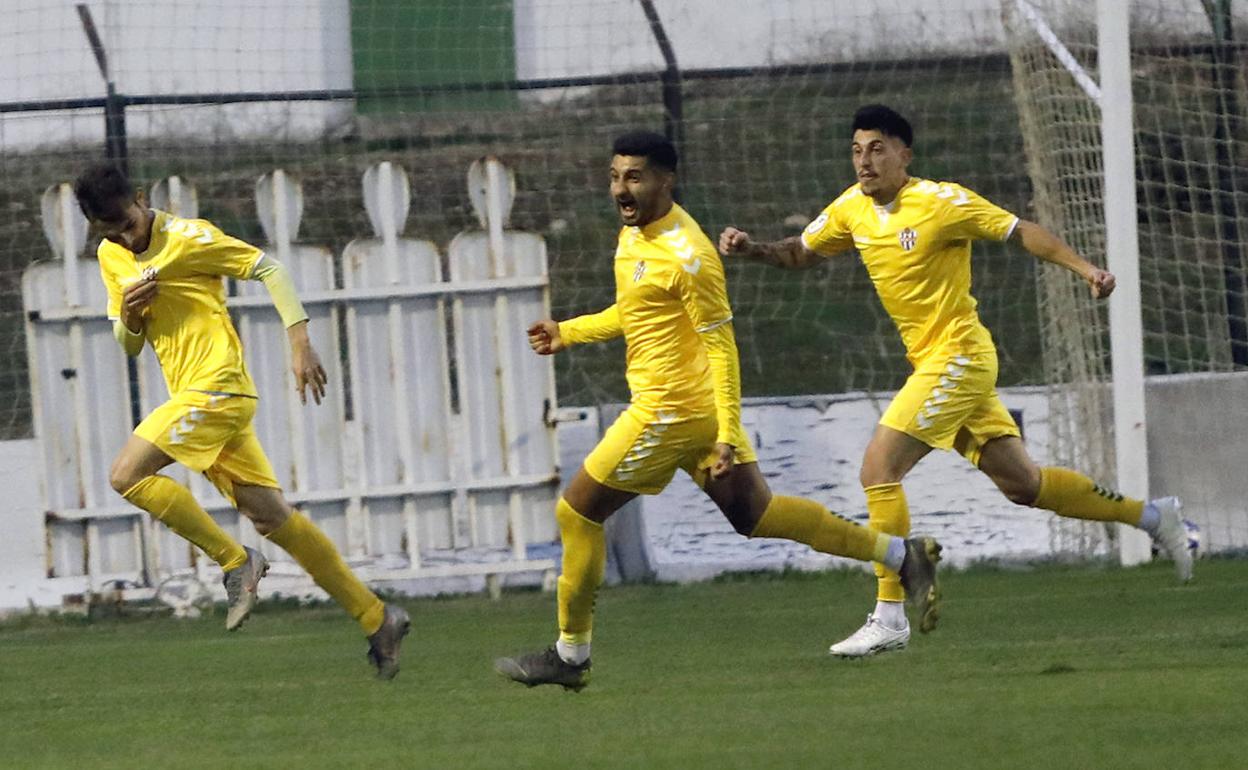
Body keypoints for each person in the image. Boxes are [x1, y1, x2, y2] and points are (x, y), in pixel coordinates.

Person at [718, 104, 1193, 658]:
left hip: (961, 358)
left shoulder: (942, 202)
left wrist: (1086, 270)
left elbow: (1022, 232)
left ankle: (889, 614)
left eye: (876, 148)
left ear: (904, 154)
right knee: (1026, 486)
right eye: (856, 150)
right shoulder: (852, 209)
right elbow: (801, 252)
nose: (864, 161)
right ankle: (1156, 516)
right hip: (935, 365)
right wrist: (751, 250)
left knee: (879, 468)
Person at [494, 131, 942, 691]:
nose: (620, 189)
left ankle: (571, 655)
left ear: (665, 180)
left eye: (634, 177)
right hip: (693, 412)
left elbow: (721, 345)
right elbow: (636, 313)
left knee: (577, 512)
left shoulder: (690, 254)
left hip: (670, 412)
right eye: (614, 176)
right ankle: (901, 555)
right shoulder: (636, 237)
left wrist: (728, 432)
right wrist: (569, 331)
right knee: (759, 516)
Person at [73, 164, 410, 679]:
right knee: (274, 518)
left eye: (128, 223)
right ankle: (377, 617)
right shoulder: (110, 255)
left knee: (126, 475)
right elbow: (129, 342)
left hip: (218, 387)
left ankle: (236, 563)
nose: (123, 235)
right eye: (109, 229)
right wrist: (133, 315)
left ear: (141, 198)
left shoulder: (191, 238)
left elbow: (269, 269)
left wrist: (300, 344)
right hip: (196, 397)